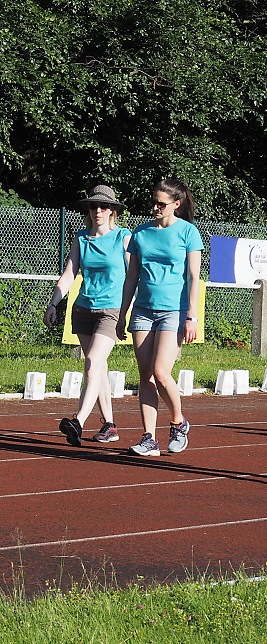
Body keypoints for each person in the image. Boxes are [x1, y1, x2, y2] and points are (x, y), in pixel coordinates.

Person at [116, 179, 204, 457]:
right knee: (145, 375)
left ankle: (179, 423)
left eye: (161, 203)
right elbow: (132, 277)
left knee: (161, 372)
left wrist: (192, 316)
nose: (155, 206)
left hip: (173, 311)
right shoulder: (141, 233)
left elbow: (193, 277)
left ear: (176, 205)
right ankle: (149, 438)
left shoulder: (188, 232)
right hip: (143, 310)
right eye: (154, 201)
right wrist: (122, 314)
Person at [44, 185, 131, 446]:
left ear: (113, 210)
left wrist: (130, 309)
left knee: (93, 362)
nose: (98, 210)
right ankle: (110, 426)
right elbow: (70, 273)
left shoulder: (123, 238)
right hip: (82, 309)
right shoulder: (82, 238)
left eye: (104, 206)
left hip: (111, 310)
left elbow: (134, 276)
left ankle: (78, 421)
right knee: (98, 368)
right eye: (93, 206)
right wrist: (53, 304)